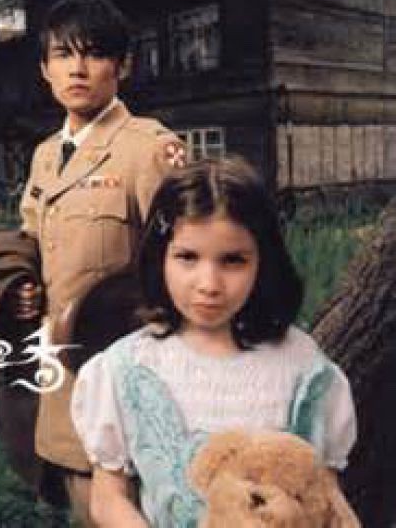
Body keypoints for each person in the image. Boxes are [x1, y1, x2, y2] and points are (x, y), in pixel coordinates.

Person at [71, 157, 357, 527]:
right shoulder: (126, 369)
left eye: (233, 261)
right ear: (161, 257)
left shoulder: (302, 365)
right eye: (187, 257)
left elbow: (326, 494)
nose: (209, 284)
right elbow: (108, 497)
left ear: (263, 261)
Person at [16, 0, 186, 523]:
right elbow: (33, 242)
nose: (78, 69)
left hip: (127, 368)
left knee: (127, 503)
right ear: (45, 69)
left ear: (123, 65)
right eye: (63, 55)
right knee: (76, 492)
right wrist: (25, 290)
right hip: (60, 365)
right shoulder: (46, 154)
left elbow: (184, 258)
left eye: (94, 53)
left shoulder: (148, 148)